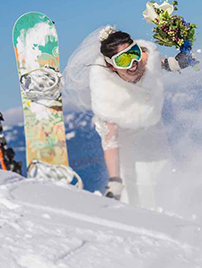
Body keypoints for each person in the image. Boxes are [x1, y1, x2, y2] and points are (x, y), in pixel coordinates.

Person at [64, 26, 194, 208]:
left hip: (158, 143)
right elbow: (110, 140)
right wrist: (115, 180)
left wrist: (177, 62)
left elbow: (158, 63)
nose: (133, 62)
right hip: (134, 159)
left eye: (133, 53)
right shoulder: (107, 94)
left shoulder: (143, 59)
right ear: (111, 65)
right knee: (146, 202)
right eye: (123, 59)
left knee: (171, 194)